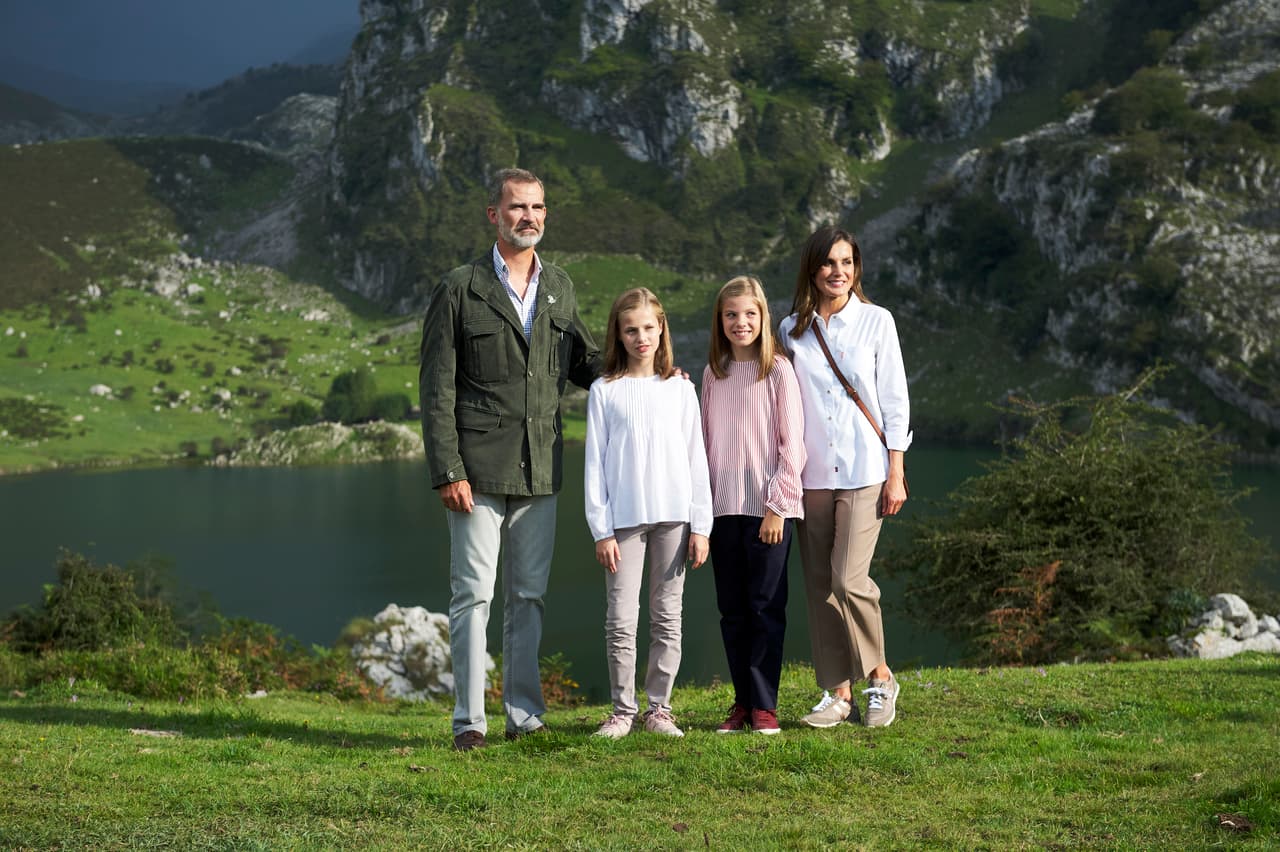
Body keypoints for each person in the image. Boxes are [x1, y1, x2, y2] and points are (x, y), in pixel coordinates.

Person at [419, 168, 601, 751]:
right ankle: (468, 723)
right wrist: (448, 469)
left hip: (541, 465)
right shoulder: (459, 287)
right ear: (493, 215)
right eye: (518, 207)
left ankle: (523, 716)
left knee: (528, 596)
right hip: (475, 468)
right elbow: (437, 387)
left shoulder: (560, 288)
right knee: (473, 594)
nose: (531, 217)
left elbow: (584, 364)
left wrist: (646, 372)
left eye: (539, 207)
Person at [778, 225, 911, 729]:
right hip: (811, 476)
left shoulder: (877, 322)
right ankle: (838, 693)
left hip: (864, 471)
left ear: (857, 269)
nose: (839, 273)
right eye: (829, 263)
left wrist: (896, 471)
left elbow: (895, 400)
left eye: (847, 263)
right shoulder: (792, 328)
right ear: (813, 270)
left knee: (848, 578)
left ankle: (880, 676)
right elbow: (771, 388)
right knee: (819, 586)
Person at [584, 287, 713, 739]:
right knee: (620, 617)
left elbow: (697, 458)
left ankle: (659, 708)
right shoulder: (604, 391)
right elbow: (594, 465)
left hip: (674, 518)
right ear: (618, 335)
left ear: (662, 330)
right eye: (631, 329)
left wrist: (702, 526)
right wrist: (601, 530)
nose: (641, 337)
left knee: (667, 615)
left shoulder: (679, 389)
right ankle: (622, 710)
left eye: (649, 328)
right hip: (622, 521)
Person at [701, 276, 806, 735]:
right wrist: (701, 514)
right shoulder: (713, 373)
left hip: (768, 512)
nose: (740, 322)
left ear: (763, 318)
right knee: (733, 610)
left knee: (766, 607)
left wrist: (777, 507)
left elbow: (793, 446)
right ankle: (741, 703)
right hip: (723, 511)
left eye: (749, 314)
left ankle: (765, 705)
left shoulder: (778, 370)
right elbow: (702, 445)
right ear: (719, 321)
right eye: (731, 315)